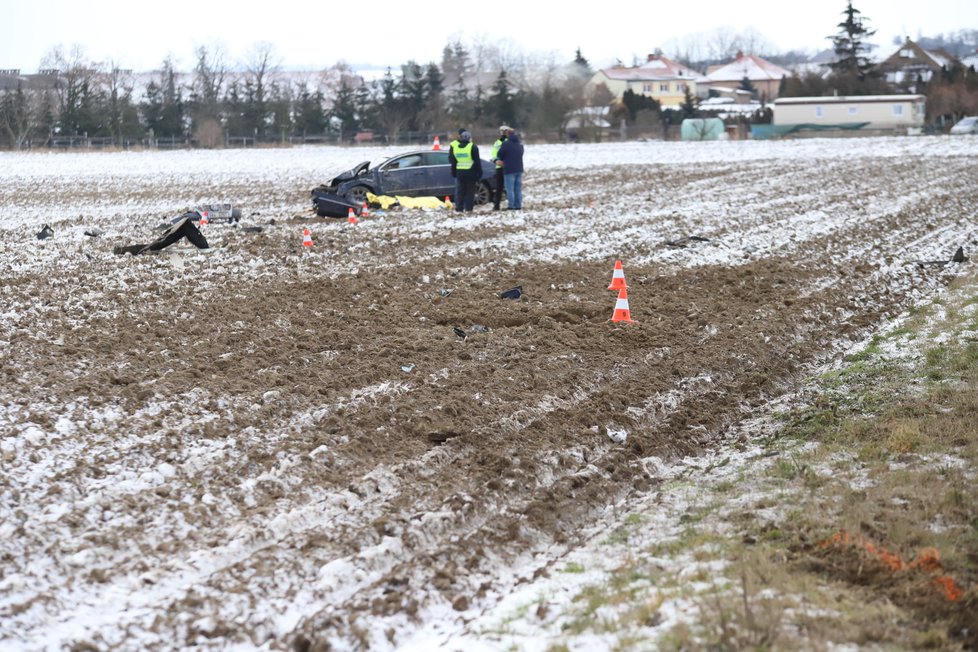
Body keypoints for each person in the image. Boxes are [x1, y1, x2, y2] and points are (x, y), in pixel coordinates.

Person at [448, 129, 483, 212]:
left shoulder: (456, 148)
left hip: (459, 173)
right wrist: (479, 174)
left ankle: (459, 208)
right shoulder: (473, 147)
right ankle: (468, 208)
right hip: (470, 173)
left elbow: (453, 162)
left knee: (460, 192)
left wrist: (454, 172)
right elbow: (477, 162)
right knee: (469, 193)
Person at [495, 128, 524, 210]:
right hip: (519, 168)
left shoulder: (506, 144)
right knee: (518, 189)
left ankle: (511, 206)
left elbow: (500, 154)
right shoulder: (520, 144)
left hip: (509, 169)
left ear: (508, 134)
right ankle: (518, 205)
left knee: (510, 189)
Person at [489, 125, 510, 210]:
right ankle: (499, 205)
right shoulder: (501, 142)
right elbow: (494, 154)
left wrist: (496, 161)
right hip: (505, 167)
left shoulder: (498, 142)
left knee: (501, 187)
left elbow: (493, 155)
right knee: (505, 187)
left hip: (501, 167)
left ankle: (497, 206)